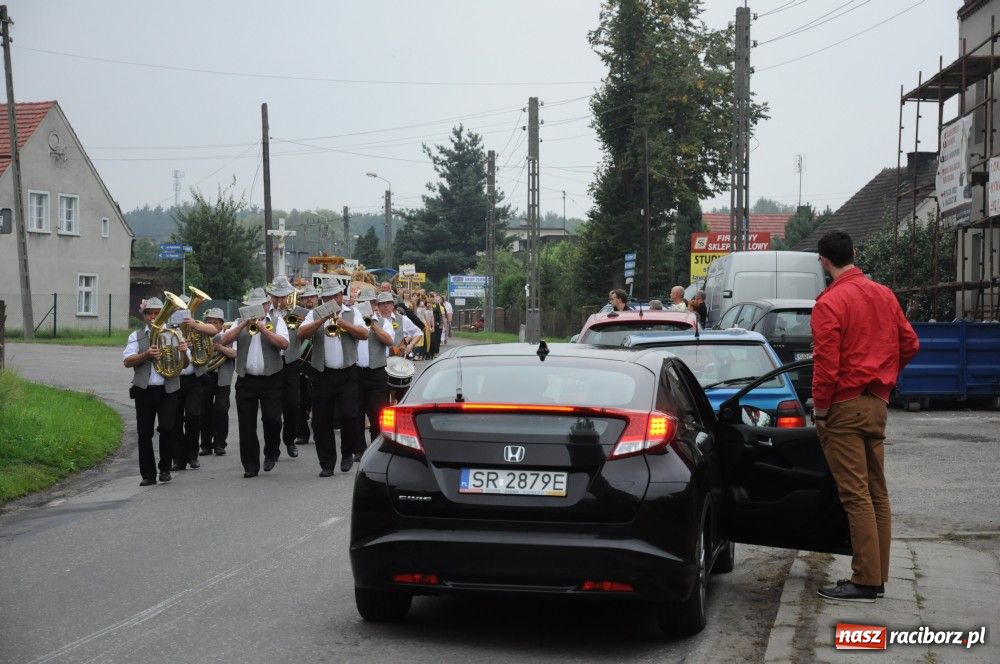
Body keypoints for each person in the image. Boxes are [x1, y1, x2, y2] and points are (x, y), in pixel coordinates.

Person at [810, 230, 919, 603]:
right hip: (877, 403)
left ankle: (866, 580)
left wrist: (820, 410)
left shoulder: (829, 303)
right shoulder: (884, 295)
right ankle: (877, 576)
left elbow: (826, 366)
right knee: (877, 493)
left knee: (855, 495)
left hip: (844, 405)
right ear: (854, 253)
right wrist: (885, 374)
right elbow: (910, 344)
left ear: (824, 261)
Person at [296, 280, 368, 476]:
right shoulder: (314, 313)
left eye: (334, 296)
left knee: (349, 415)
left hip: (348, 372)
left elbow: (364, 333)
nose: (331, 300)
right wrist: (321, 319)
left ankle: (347, 452)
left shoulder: (353, 312)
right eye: (327, 297)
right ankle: (327, 463)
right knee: (321, 421)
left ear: (340, 295)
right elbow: (301, 333)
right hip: (322, 373)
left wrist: (343, 323)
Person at [219, 287, 290, 478]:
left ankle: (271, 452)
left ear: (266, 306)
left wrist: (262, 329)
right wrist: (243, 324)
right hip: (246, 379)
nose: (255, 310)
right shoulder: (238, 322)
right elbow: (223, 341)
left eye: (258, 306)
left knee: (272, 420)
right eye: (251, 307)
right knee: (247, 424)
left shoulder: (276, 321)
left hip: (271, 378)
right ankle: (250, 465)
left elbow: (284, 344)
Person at [122, 297, 185, 486]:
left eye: (158, 313)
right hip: (144, 390)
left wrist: (182, 351)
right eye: (150, 313)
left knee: (167, 429)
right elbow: (127, 361)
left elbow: (185, 365)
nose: (154, 317)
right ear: (145, 316)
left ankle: (164, 468)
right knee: (144, 433)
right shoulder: (137, 336)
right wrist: (146, 354)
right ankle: (148, 475)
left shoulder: (174, 333)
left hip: (168, 390)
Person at [355, 290, 422, 460]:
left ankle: (384, 439)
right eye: (382, 304)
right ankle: (359, 448)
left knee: (383, 407)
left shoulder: (397, 320)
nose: (385, 307)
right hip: (365, 368)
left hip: (390, 365)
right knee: (357, 411)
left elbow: (417, 333)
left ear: (393, 305)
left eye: (388, 304)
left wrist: (410, 346)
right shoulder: (357, 317)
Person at [267, 276, 303, 459]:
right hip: (272, 362)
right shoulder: (265, 312)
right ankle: (272, 449)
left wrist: (302, 324)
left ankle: (289, 440)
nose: (280, 301)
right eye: (276, 297)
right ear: (270, 296)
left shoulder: (299, 310)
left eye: (283, 297)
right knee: (272, 412)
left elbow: (309, 331)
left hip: (291, 362)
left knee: (292, 406)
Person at [196, 308, 236, 456]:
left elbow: (235, 353)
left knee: (221, 410)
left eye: (215, 322)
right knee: (204, 411)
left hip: (223, 377)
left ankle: (219, 444)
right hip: (205, 375)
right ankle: (205, 445)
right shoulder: (200, 336)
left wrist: (219, 347)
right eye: (209, 322)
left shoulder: (229, 335)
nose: (212, 325)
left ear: (221, 324)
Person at [295, 284, 320, 445]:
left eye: (312, 297)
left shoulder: (323, 312)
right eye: (306, 297)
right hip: (302, 360)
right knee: (301, 399)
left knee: (318, 400)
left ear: (317, 298)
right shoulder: (296, 314)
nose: (309, 299)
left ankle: (319, 432)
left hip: (318, 360)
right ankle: (302, 433)